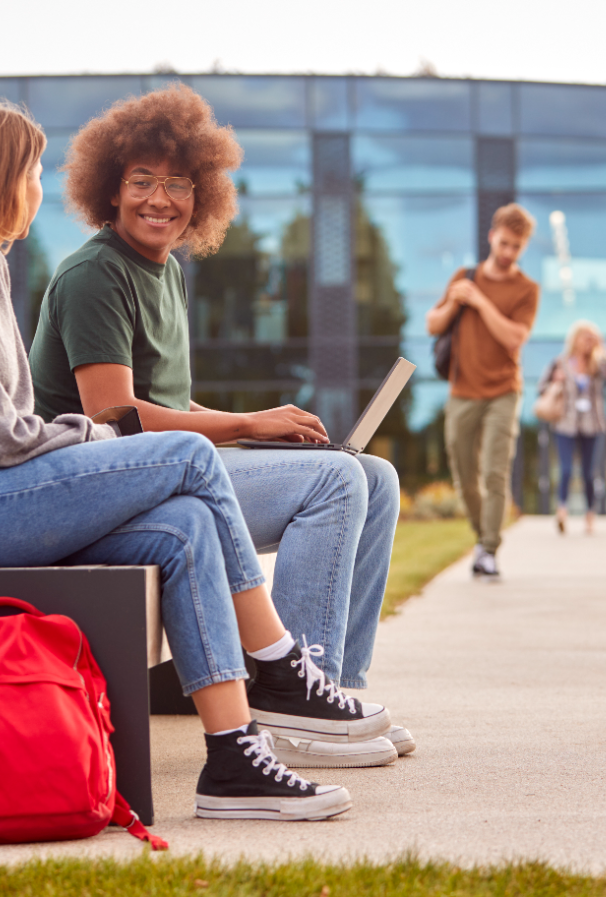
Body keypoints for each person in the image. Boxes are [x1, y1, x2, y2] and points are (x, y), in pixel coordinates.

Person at [0, 100, 392, 822]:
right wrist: (97, 440)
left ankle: (233, 758)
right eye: (32, 171)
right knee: (192, 459)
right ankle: (284, 667)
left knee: (186, 524)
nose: (39, 187)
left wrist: (84, 442)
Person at [26, 85, 410, 766]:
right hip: (111, 487)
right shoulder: (93, 276)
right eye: (141, 180)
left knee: (374, 478)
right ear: (108, 190)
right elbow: (112, 414)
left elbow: (172, 400)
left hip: (166, 468)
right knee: (334, 484)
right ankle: (289, 707)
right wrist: (245, 421)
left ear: (200, 195)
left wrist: (266, 430)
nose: (159, 199)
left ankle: (336, 693)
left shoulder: (165, 271)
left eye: (177, 183)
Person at [425, 204, 540, 579]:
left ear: (524, 247)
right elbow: (433, 323)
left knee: (495, 472)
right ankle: (481, 538)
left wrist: (480, 302)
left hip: (504, 392)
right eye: (504, 243)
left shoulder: (527, 289)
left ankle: (489, 549)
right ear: (492, 236)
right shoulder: (465, 276)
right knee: (463, 472)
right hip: (462, 390)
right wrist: (458, 300)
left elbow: (514, 338)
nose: (508, 252)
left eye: (516, 247)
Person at [537, 320, 606, 535]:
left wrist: (602, 346)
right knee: (566, 469)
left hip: (593, 424)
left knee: (590, 472)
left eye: (592, 338)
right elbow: (541, 387)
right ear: (575, 339)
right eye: (585, 337)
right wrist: (555, 381)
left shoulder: (598, 363)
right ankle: (562, 510)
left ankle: (590, 514)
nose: (588, 342)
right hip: (566, 424)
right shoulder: (560, 363)